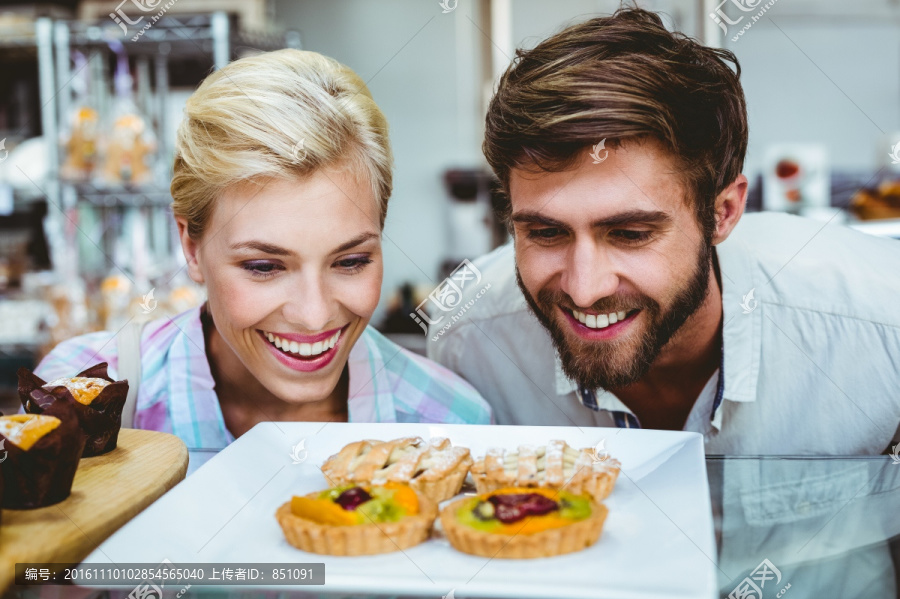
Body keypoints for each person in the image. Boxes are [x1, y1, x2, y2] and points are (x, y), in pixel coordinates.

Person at [426, 8, 900, 454]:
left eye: (630, 234)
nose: (585, 290)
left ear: (724, 212)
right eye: (546, 233)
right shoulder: (469, 343)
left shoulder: (880, 328)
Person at [35, 49, 491, 457]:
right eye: (264, 267)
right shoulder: (76, 403)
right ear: (192, 248)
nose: (314, 317)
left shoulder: (453, 426)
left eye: (350, 261)